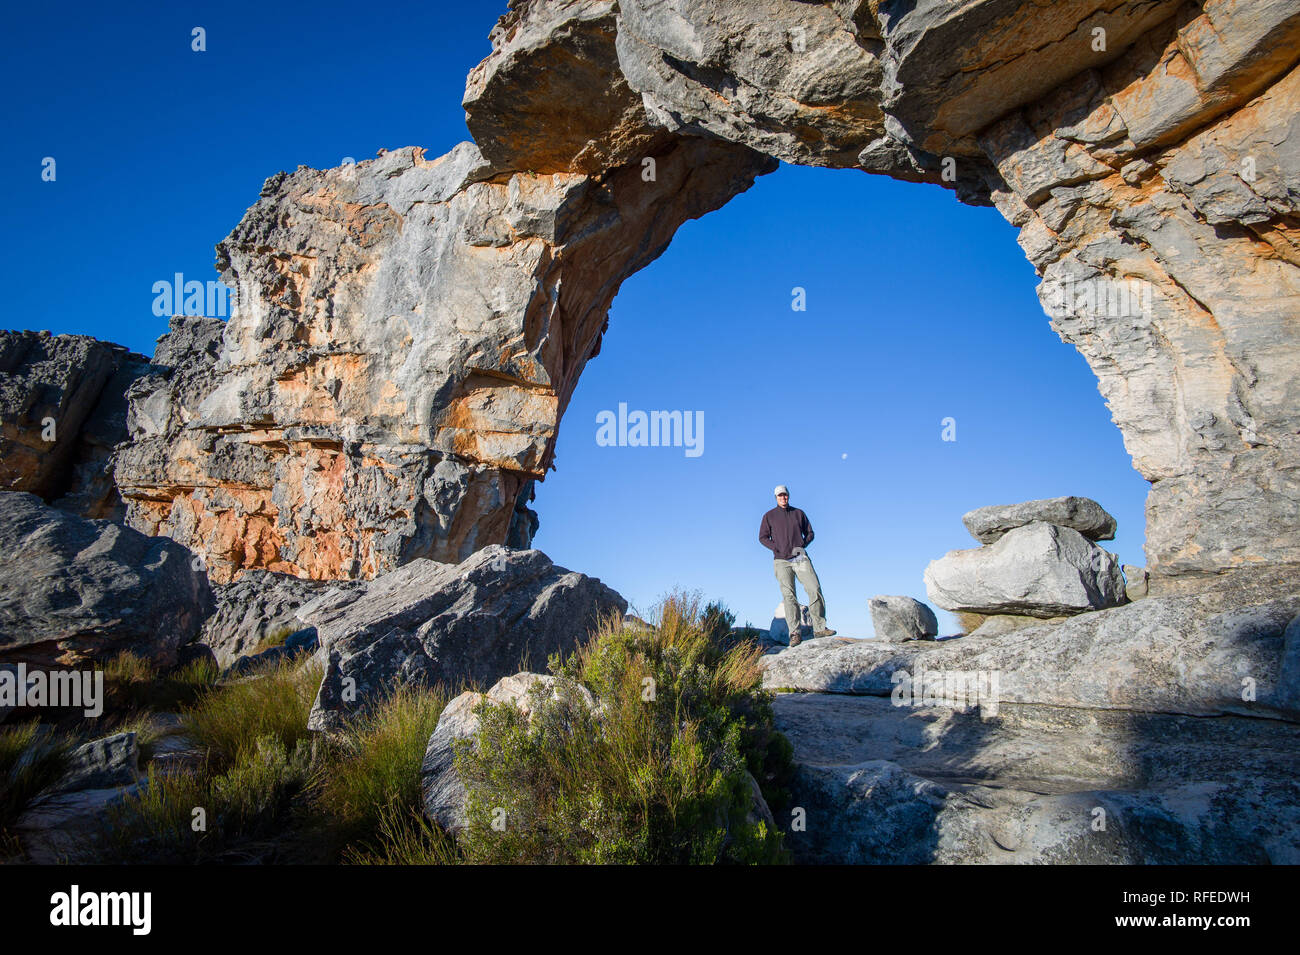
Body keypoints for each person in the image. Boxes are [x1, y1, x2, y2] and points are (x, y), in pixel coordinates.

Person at [758, 485, 835, 646]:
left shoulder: (798, 513)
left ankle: (820, 628)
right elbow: (762, 537)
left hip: (799, 556)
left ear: (788, 496)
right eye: (780, 496)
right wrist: (776, 547)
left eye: (785, 495)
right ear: (776, 498)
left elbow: (810, 533)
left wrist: (802, 545)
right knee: (789, 596)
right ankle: (795, 633)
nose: (783, 498)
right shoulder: (769, 516)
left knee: (814, 588)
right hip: (781, 560)